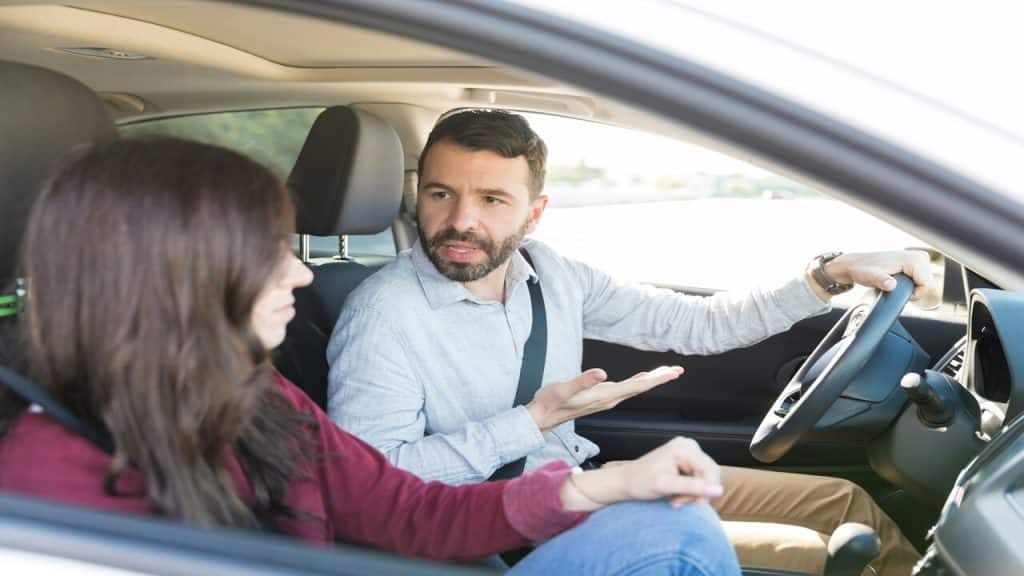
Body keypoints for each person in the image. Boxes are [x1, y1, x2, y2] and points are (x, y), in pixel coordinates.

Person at [0, 138, 741, 575]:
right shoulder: (44, 486)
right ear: (176, 274)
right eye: (268, 256)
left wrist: (597, 489)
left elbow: (406, 509)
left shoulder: (252, 394)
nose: (297, 274)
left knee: (671, 523)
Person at [327, 110, 930, 575]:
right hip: (506, 530)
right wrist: (530, 422)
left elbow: (701, 324)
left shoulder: (552, 275)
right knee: (817, 552)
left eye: (491, 200)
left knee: (845, 504)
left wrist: (828, 276)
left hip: (592, 481)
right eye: (441, 194)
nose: (462, 220)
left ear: (533, 214)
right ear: (419, 195)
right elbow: (373, 487)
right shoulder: (383, 314)